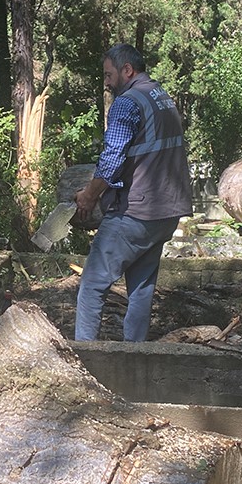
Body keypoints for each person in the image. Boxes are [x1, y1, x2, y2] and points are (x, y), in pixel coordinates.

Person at [73, 43, 192, 342]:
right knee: (140, 290)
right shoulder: (162, 97)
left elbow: (113, 157)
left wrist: (89, 195)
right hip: (166, 213)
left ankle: (82, 361)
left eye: (109, 74)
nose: (107, 82)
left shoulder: (127, 103)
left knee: (91, 286)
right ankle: (135, 357)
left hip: (136, 213)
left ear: (127, 70)